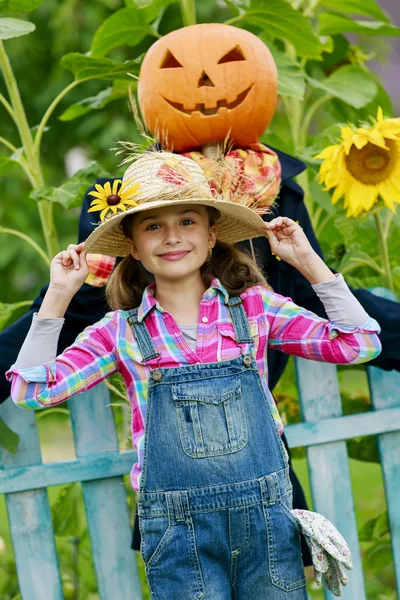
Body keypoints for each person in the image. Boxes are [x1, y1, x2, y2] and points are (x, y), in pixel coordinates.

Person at [1, 147, 399, 569]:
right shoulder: (119, 333)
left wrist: (307, 262)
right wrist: (59, 296)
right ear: (133, 247)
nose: (172, 237)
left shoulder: (256, 309)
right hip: (176, 536)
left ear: (211, 236)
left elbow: (359, 343)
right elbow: (32, 391)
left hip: (268, 522)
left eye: (187, 221)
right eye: (153, 226)